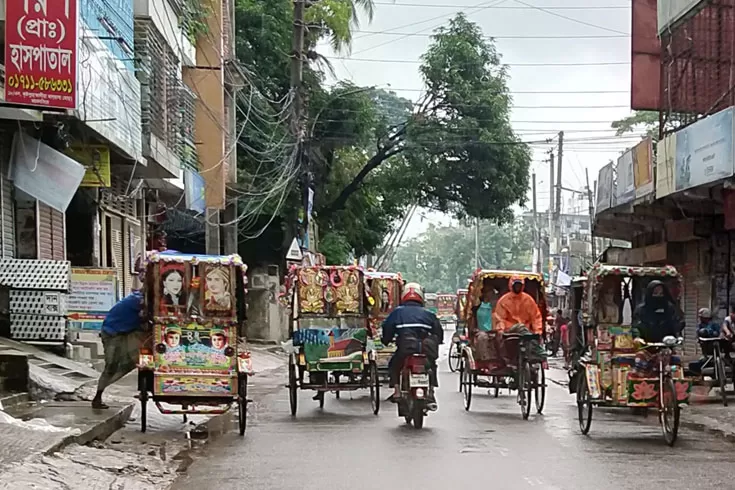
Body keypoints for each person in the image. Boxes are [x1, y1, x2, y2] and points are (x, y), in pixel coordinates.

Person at [381, 282, 443, 409]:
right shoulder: (428, 314)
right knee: (431, 366)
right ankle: (431, 391)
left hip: (405, 349)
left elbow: (387, 328)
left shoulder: (397, 313)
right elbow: (438, 332)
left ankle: (397, 391)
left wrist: (386, 340)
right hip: (426, 350)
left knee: (394, 365)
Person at [92, 291, 145, 409]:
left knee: (134, 362)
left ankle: (101, 391)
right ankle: (97, 396)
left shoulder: (136, 298)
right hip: (112, 333)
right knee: (110, 366)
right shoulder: (136, 301)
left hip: (125, 333)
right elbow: (146, 314)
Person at [631, 280, 683, 376]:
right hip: (646, 346)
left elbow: (676, 323)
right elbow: (636, 325)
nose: (658, 296)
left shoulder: (670, 308)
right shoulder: (641, 310)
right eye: (655, 293)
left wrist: (678, 336)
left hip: (665, 345)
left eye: (661, 293)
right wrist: (637, 337)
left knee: (673, 365)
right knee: (640, 361)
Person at [474, 283, 497, 361]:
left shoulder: (497, 305)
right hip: (482, 331)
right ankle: (486, 359)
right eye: (489, 292)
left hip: (497, 329)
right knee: (482, 338)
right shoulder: (477, 306)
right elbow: (473, 320)